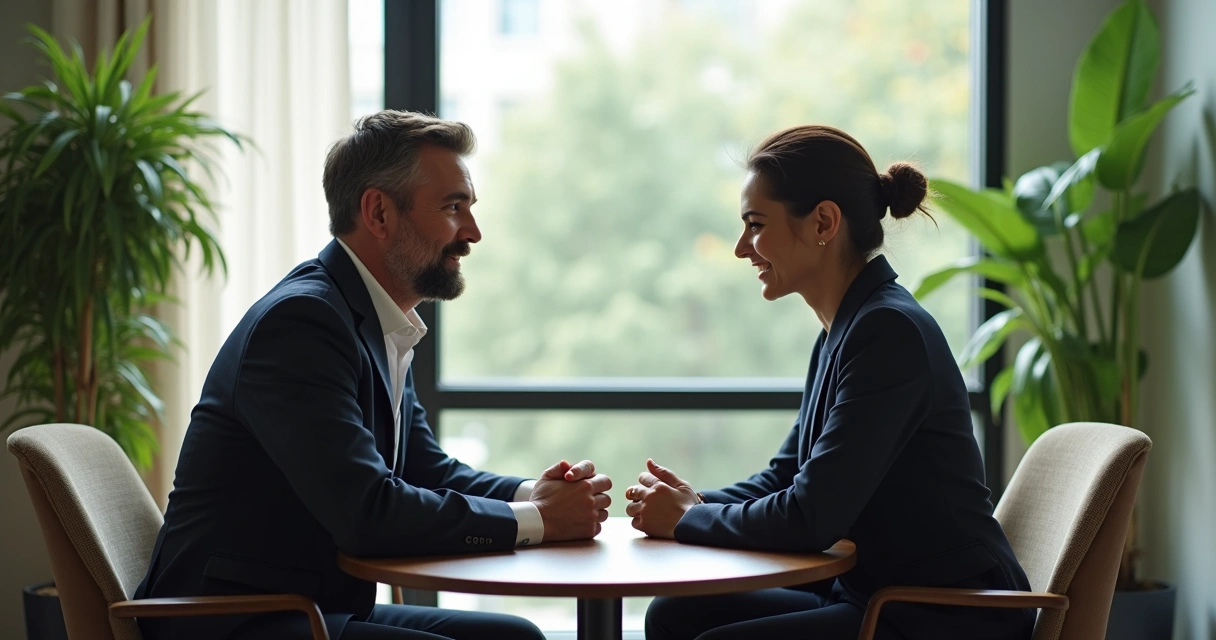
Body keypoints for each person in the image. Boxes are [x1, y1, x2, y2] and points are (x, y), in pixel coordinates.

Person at [135, 110, 613, 640]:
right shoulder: (302, 324)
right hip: (232, 621)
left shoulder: (371, 316)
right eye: (453, 208)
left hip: (307, 608)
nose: (472, 233)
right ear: (379, 212)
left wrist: (534, 494)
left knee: (512, 637)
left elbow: (424, 469)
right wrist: (541, 521)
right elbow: (367, 514)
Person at [625, 125, 1035, 640]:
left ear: (823, 221)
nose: (740, 249)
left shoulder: (888, 333)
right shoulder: (846, 328)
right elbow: (786, 477)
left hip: (943, 612)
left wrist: (686, 519)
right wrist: (693, 504)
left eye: (754, 225)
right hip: (876, 595)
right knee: (675, 613)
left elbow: (810, 517)